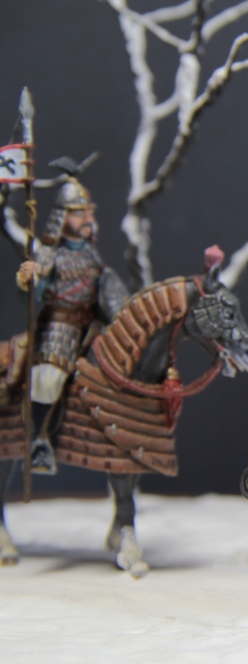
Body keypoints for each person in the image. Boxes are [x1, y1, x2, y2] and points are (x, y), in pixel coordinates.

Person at [15, 166, 128, 473]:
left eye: (88, 212)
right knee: (48, 378)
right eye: (79, 213)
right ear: (62, 217)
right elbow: (32, 297)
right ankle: (39, 443)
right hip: (58, 328)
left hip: (93, 329)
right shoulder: (47, 255)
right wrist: (28, 280)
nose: (87, 218)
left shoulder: (92, 255)